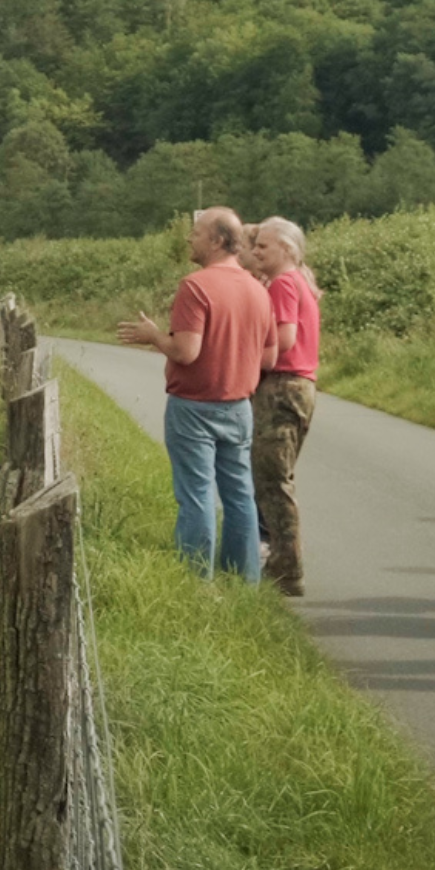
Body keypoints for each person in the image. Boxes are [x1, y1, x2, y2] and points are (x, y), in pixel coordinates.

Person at [120, 208, 272, 581]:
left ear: (217, 240)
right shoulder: (257, 287)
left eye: (196, 233)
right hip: (239, 406)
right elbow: (270, 355)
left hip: (194, 406)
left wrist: (154, 335)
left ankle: (196, 579)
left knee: (197, 494)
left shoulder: (196, 285)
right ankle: (243, 579)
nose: (190, 239)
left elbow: (186, 351)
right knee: (239, 495)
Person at [248, 217, 322, 596]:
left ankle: (286, 567)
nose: (256, 251)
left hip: (281, 386)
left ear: (287, 249)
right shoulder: (300, 281)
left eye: (263, 246)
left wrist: (245, 355)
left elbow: (284, 339)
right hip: (301, 387)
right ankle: (283, 560)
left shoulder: (282, 284)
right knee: (276, 476)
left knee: (271, 480)